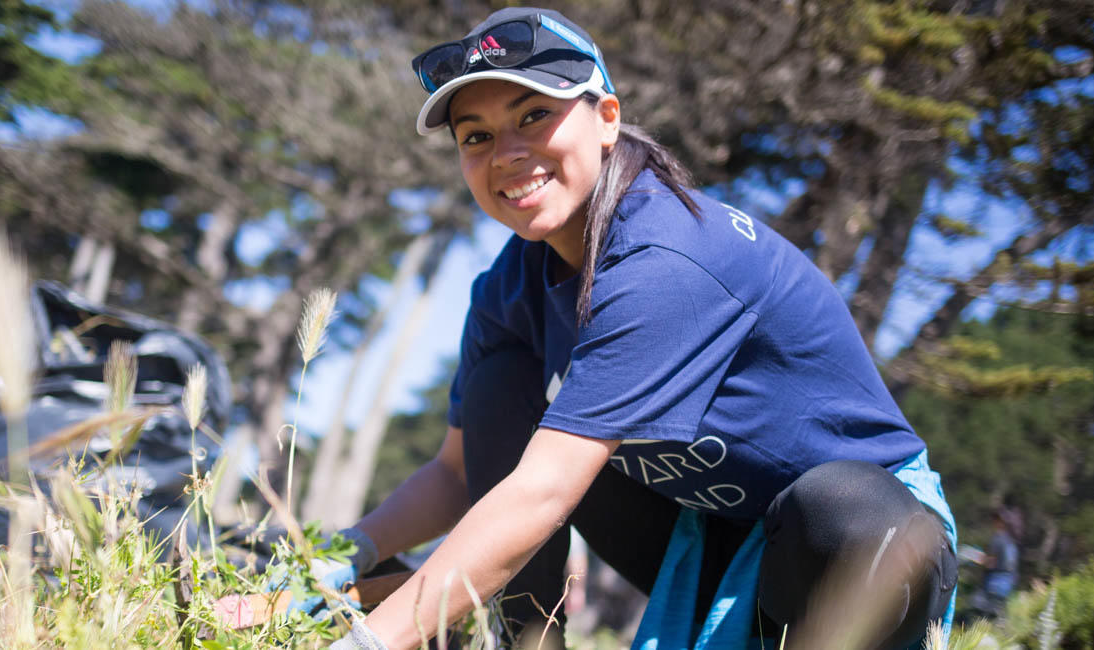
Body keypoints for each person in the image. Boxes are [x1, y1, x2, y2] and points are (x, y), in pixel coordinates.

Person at [322, 7, 959, 649]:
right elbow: (458, 474)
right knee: (499, 383)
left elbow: (542, 492)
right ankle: (524, 642)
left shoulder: (667, 260)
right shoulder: (508, 288)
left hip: (866, 544)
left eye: (534, 115)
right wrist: (337, 555)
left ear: (607, 119)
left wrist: (368, 644)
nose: (507, 154)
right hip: (708, 532)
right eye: (476, 137)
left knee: (839, 507)